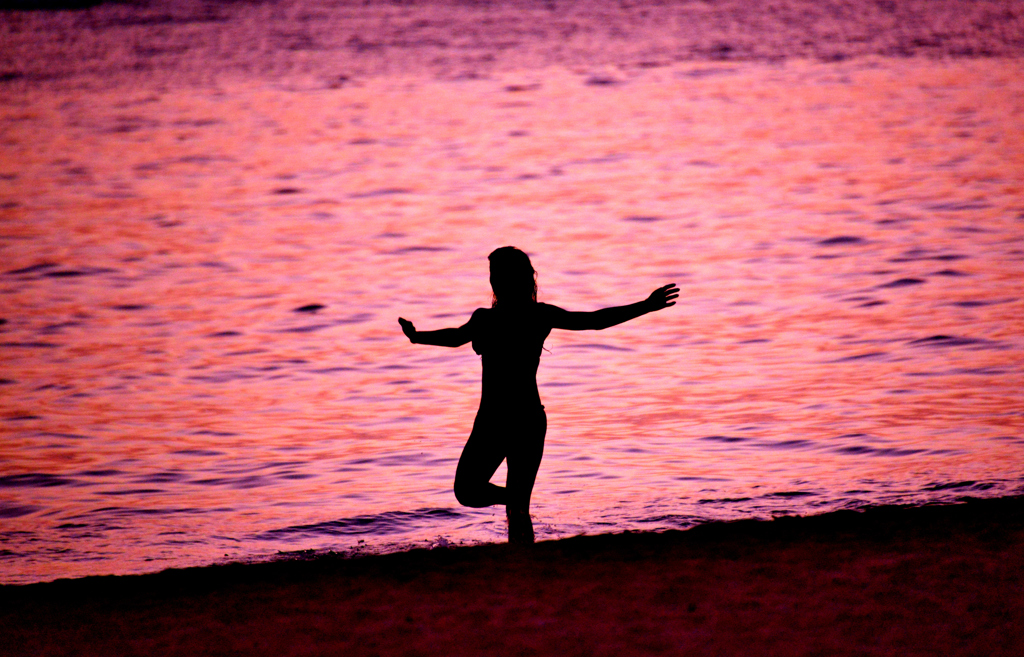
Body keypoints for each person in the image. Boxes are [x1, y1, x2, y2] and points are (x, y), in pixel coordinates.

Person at [398, 246, 679, 543]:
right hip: (497, 420)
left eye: (498, 275)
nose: (494, 281)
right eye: (492, 275)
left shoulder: (532, 315)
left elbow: (594, 321)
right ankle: (515, 501)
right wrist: (418, 337)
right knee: (469, 491)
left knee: (507, 507)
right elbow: (456, 337)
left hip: (523, 420)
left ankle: (523, 554)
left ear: (513, 279)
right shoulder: (489, 319)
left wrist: (645, 306)